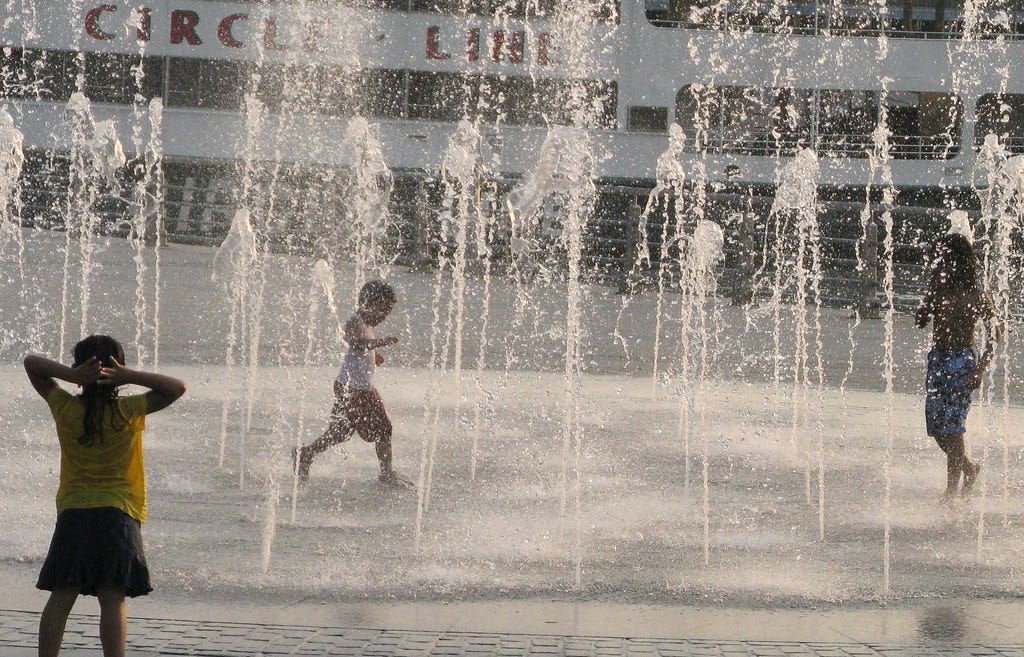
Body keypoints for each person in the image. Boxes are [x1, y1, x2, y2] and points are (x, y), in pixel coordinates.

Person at [24, 335, 186, 657]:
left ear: (80, 369)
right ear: (117, 370)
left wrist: (72, 377)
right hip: (119, 515)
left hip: (74, 513)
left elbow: (32, 363)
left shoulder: (65, 407)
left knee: (62, 595)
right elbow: (176, 388)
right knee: (112, 598)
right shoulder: (129, 409)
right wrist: (130, 376)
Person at [293, 279, 410, 487]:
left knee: (343, 432)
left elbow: (362, 349)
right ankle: (386, 474)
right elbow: (356, 343)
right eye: (382, 310)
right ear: (368, 303)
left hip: (359, 387)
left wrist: (375, 354)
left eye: (387, 313)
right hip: (353, 389)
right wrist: (379, 343)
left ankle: (306, 453)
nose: (384, 316)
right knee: (380, 429)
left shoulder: (367, 325)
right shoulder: (355, 322)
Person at [915, 233, 1000, 496]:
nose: (940, 262)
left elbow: (995, 334)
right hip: (938, 360)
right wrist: (922, 312)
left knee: (953, 428)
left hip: (962, 363)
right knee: (938, 429)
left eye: (945, 257)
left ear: (959, 261)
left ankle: (950, 492)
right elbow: (923, 316)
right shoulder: (939, 286)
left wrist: (980, 369)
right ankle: (970, 468)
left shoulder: (977, 294)